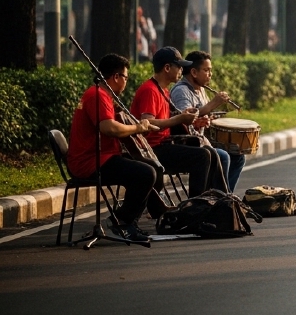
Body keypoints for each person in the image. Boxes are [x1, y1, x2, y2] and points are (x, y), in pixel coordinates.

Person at [67, 53, 162, 242]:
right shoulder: (98, 95)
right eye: (125, 77)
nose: (126, 82)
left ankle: (129, 222)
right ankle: (121, 221)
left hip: (101, 156)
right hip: (91, 161)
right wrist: (137, 127)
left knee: (148, 168)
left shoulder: (103, 95)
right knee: (146, 173)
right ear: (116, 77)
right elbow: (108, 128)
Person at [132, 47, 220, 199]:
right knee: (203, 156)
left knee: (211, 152)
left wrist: (192, 118)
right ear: (167, 68)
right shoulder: (150, 90)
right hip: (151, 148)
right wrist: (179, 118)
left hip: (164, 143)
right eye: (179, 66)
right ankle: (196, 207)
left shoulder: (163, 90)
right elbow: (147, 122)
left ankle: (216, 199)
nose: (182, 70)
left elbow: (169, 118)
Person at [171, 50, 243, 192]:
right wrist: (214, 103)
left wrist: (209, 118)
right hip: (187, 142)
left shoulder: (201, 90)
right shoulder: (181, 91)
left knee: (238, 156)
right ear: (194, 72)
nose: (210, 74)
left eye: (210, 71)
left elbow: (201, 115)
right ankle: (220, 200)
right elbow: (185, 118)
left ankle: (222, 196)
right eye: (206, 70)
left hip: (202, 140)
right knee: (222, 156)